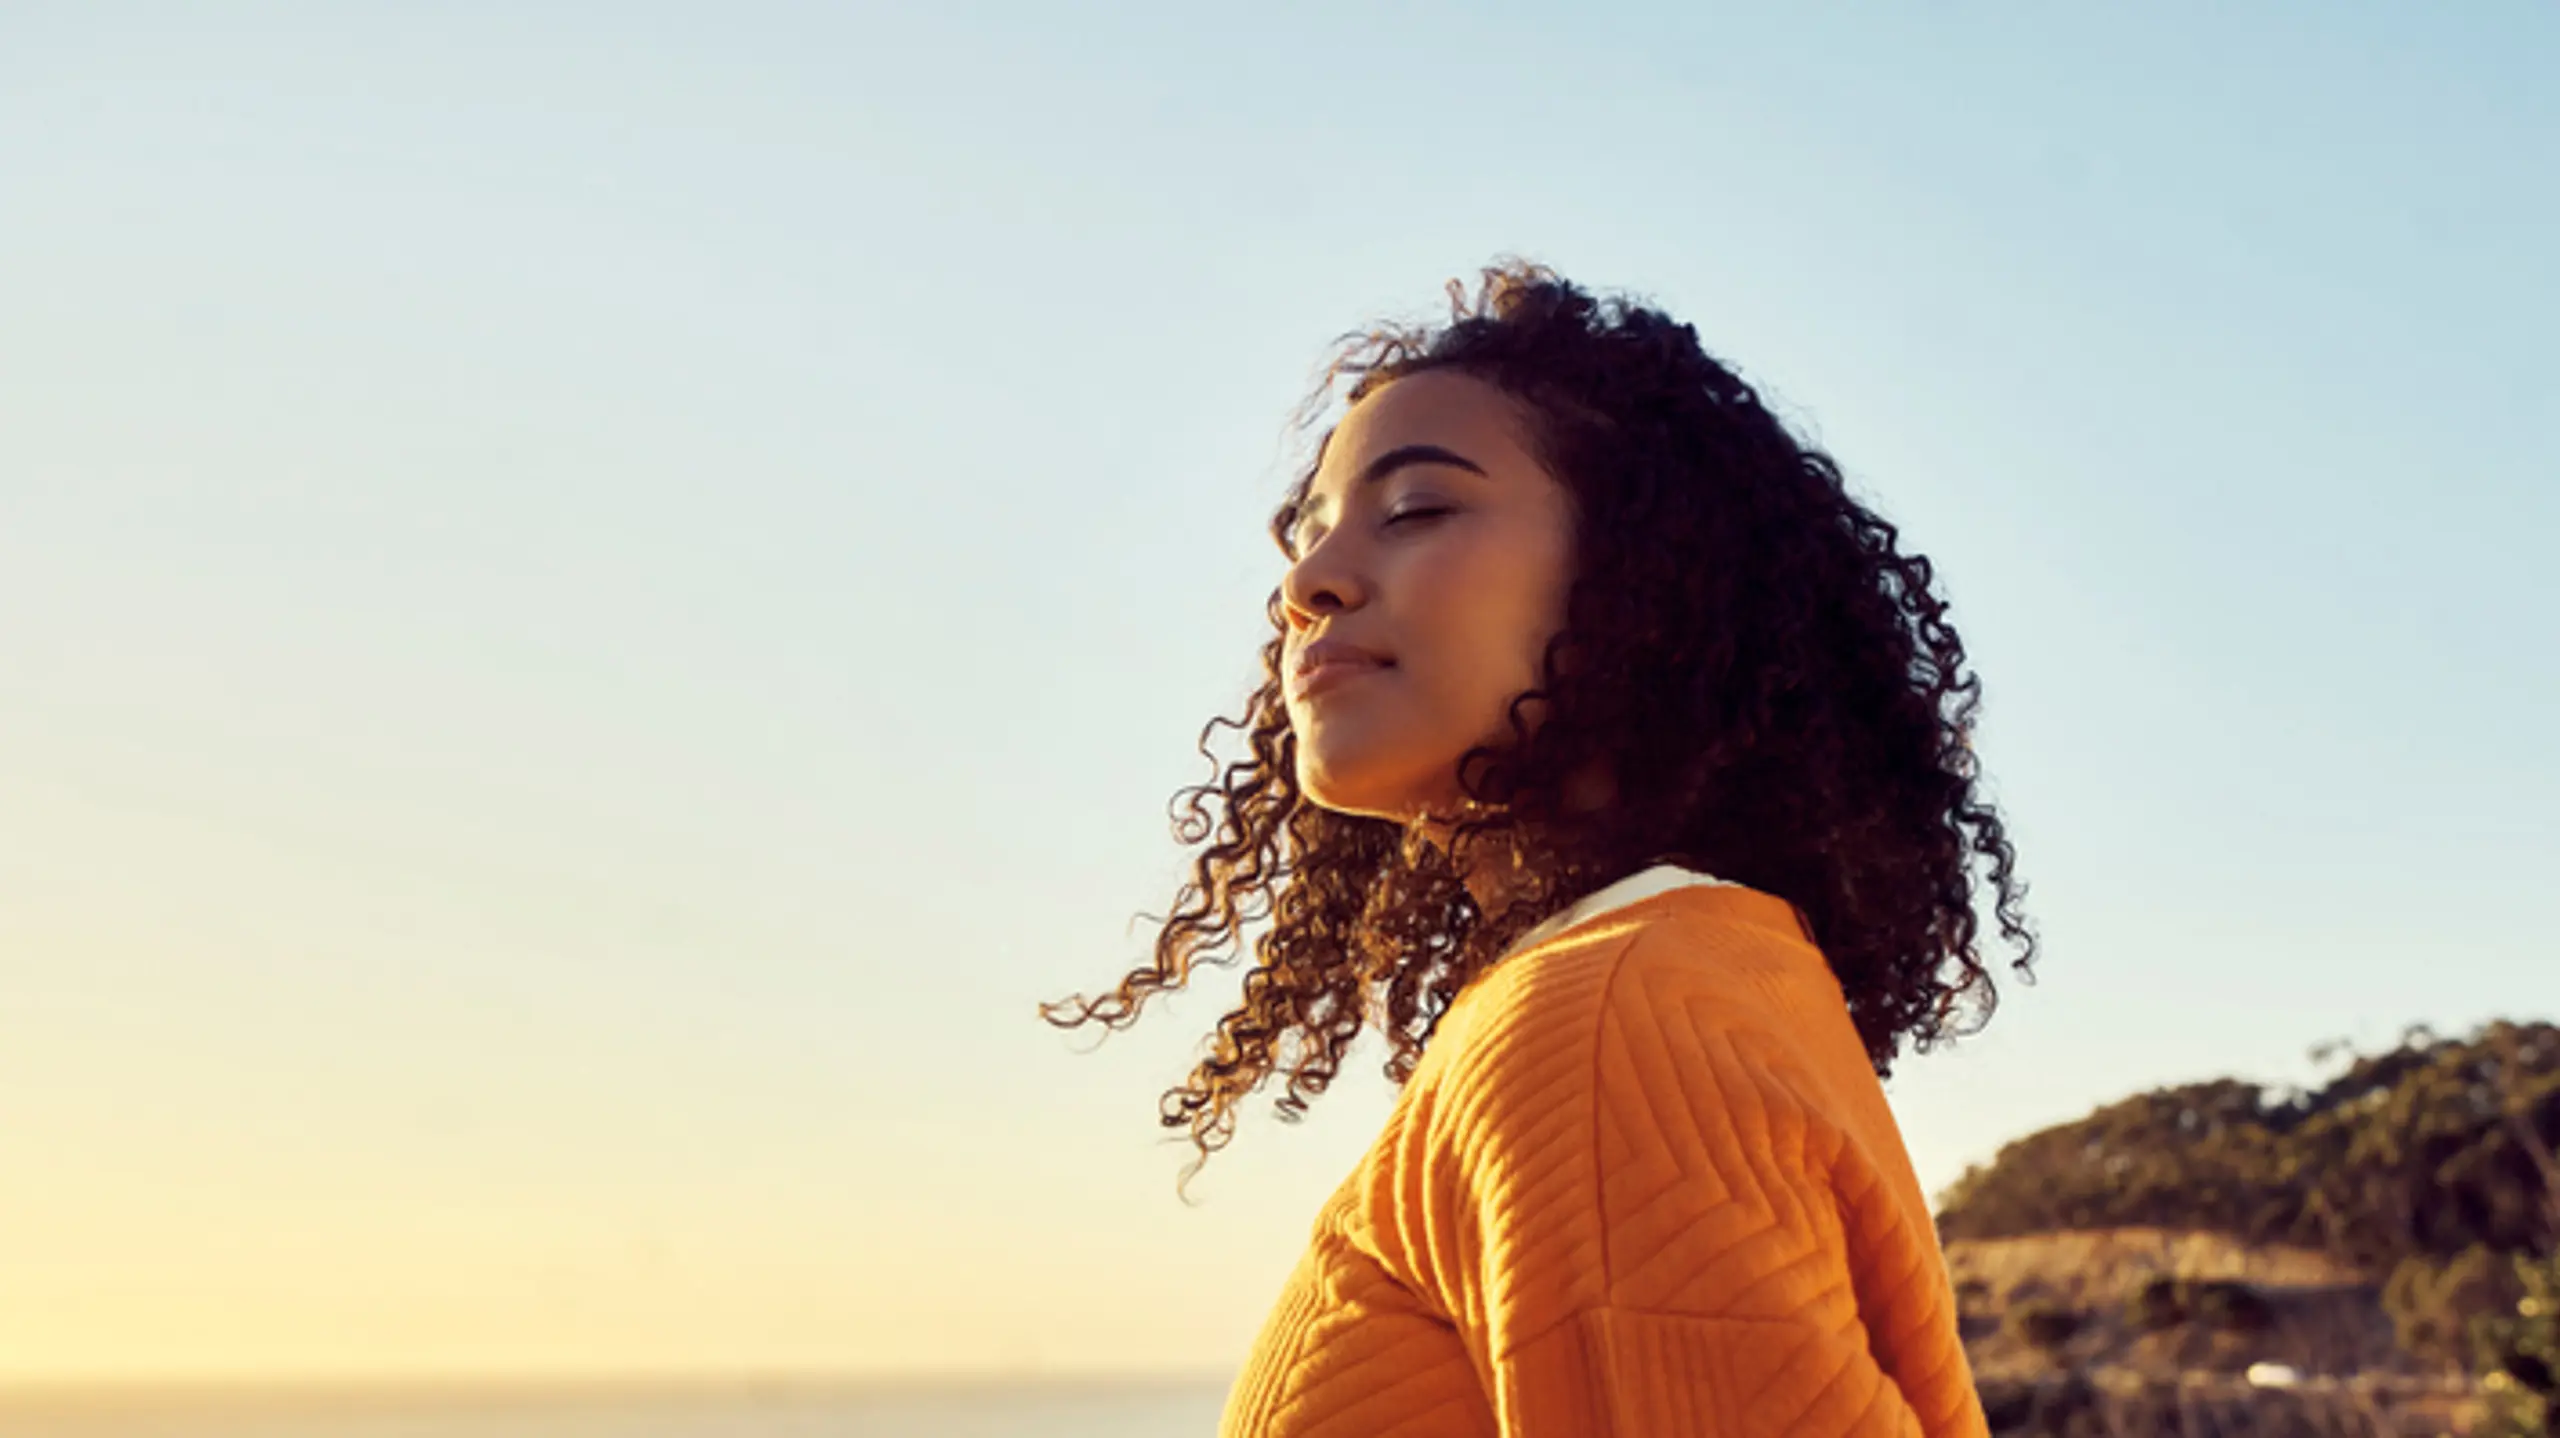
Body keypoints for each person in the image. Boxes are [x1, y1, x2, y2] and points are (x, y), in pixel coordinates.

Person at [1042, 259, 2037, 1436]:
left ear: (1645, 587)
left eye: (1415, 510)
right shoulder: (1686, 981)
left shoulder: (1606, 1017)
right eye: (1302, 538)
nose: (1305, 585)